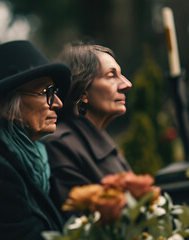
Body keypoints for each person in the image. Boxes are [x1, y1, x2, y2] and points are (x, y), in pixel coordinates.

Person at [0, 40, 71, 240]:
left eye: (55, 92)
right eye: (46, 92)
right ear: (11, 109)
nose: (58, 103)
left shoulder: (36, 160)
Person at [42, 43, 132, 219]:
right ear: (83, 90)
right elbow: (82, 225)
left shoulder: (103, 143)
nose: (126, 84)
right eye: (111, 75)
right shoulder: (60, 145)